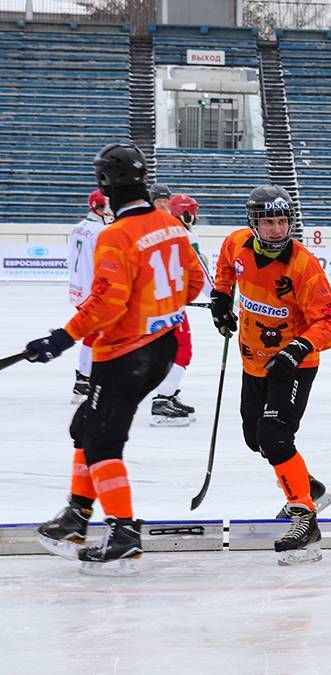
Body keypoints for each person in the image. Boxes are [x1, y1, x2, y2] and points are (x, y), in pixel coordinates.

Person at [31, 142, 205, 575]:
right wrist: (157, 311)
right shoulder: (170, 224)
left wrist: (62, 338)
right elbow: (194, 281)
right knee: (85, 426)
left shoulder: (115, 236)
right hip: (160, 348)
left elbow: (107, 304)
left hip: (124, 354)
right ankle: (76, 515)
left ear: (105, 185)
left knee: (102, 441)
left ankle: (123, 533)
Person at [209, 185, 331, 564]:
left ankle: (304, 516)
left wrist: (300, 346)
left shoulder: (303, 265)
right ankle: (310, 488)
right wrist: (220, 299)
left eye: (282, 221)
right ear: (253, 223)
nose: (275, 229)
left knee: (275, 434)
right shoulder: (236, 244)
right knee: (257, 441)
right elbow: (225, 269)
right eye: (267, 221)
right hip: (254, 361)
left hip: (294, 365)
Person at [146, 193, 210, 426]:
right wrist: (218, 298)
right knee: (182, 350)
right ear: (183, 213)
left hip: (156, 302)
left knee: (169, 350)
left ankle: (169, 393)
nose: (195, 216)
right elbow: (200, 273)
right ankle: (161, 402)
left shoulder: (159, 232)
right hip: (170, 304)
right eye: (192, 211)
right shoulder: (186, 235)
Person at [66, 188, 112, 404]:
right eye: (108, 206)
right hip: (92, 290)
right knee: (96, 335)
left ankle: (86, 376)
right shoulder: (101, 232)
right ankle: (84, 379)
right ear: (99, 208)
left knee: (93, 334)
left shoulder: (79, 227)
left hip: (78, 287)